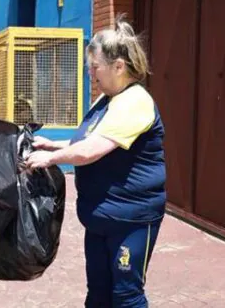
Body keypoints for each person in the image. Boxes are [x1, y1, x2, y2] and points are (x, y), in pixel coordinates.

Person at [26, 16, 166, 307]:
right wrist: (52, 143)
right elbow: (87, 140)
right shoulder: (106, 100)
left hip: (131, 218)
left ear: (118, 66)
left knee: (126, 294)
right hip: (101, 217)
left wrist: (50, 157)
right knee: (99, 291)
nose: (90, 73)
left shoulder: (135, 101)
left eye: (95, 66)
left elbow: (93, 150)